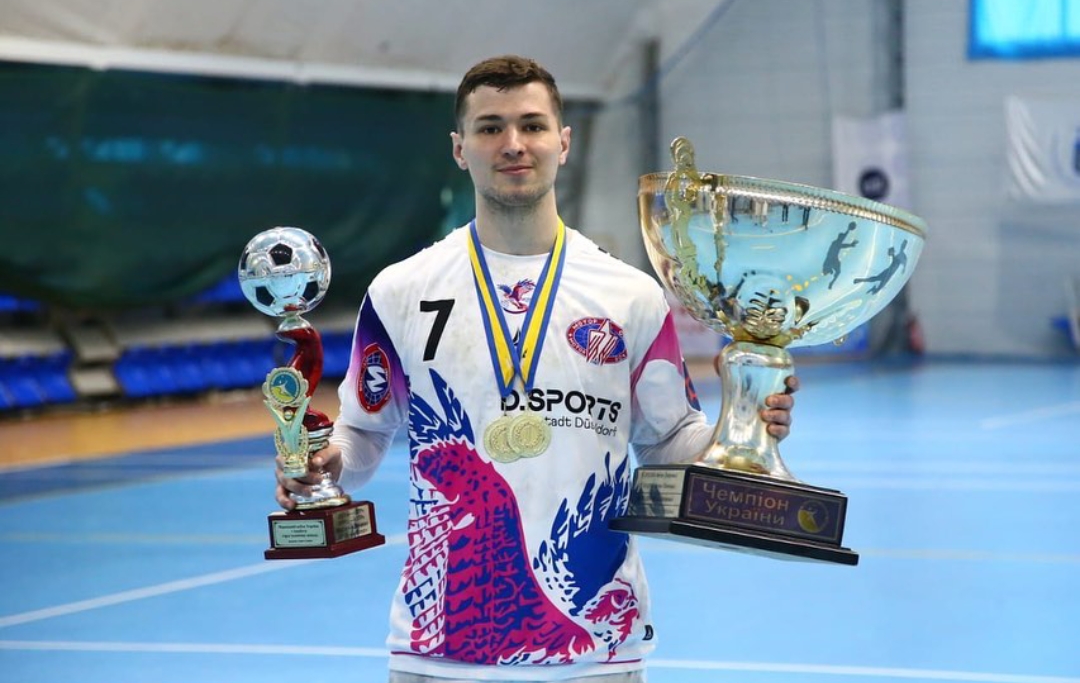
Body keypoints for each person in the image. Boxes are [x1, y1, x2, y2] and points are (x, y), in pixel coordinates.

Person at [276, 54, 798, 683]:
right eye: (490, 127)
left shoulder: (631, 295)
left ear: (563, 142)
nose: (513, 144)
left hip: (596, 657)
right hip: (439, 654)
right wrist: (326, 465)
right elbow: (364, 431)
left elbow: (666, 439)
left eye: (532, 125)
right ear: (460, 148)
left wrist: (740, 426)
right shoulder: (402, 290)